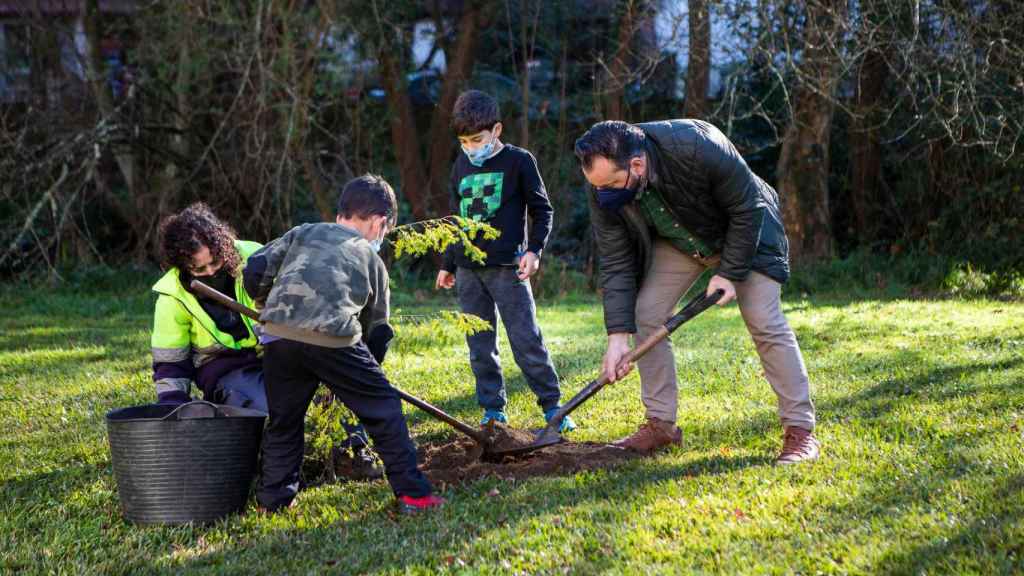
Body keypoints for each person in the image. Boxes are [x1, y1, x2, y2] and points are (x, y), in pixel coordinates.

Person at [574, 119, 820, 464]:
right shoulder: (603, 185)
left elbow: (748, 207)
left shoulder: (695, 145)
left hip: (746, 232)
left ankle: (800, 431)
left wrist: (729, 272)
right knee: (647, 314)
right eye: (599, 187)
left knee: (764, 319)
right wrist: (617, 336)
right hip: (682, 240)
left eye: (613, 184)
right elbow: (616, 261)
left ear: (637, 164)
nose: (605, 194)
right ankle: (661, 426)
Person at [245, 174, 444, 514]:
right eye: (385, 230)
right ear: (381, 223)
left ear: (341, 214)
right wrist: (367, 375)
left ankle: (273, 501)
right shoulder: (371, 259)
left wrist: (266, 304)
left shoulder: (303, 231)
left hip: (277, 335)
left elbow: (255, 268)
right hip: (332, 336)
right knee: (385, 408)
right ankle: (413, 494)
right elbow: (377, 331)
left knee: (284, 421)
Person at [151, 203, 379, 477]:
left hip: (276, 350)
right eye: (200, 270)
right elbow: (170, 362)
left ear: (224, 246)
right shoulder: (172, 296)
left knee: (335, 386)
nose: (211, 273)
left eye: (216, 262)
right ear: (183, 268)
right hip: (227, 371)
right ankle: (281, 470)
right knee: (273, 408)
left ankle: (352, 453)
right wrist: (173, 409)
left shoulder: (255, 256)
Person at [435, 89, 574, 432]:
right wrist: (447, 264)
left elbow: (543, 210)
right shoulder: (461, 164)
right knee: (480, 345)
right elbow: (457, 220)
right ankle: (493, 409)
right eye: (464, 141)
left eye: (477, 139)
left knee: (526, 339)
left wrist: (534, 251)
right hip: (469, 272)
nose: (470, 147)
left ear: (496, 130)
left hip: (508, 269)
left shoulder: (519, 161)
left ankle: (553, 406)